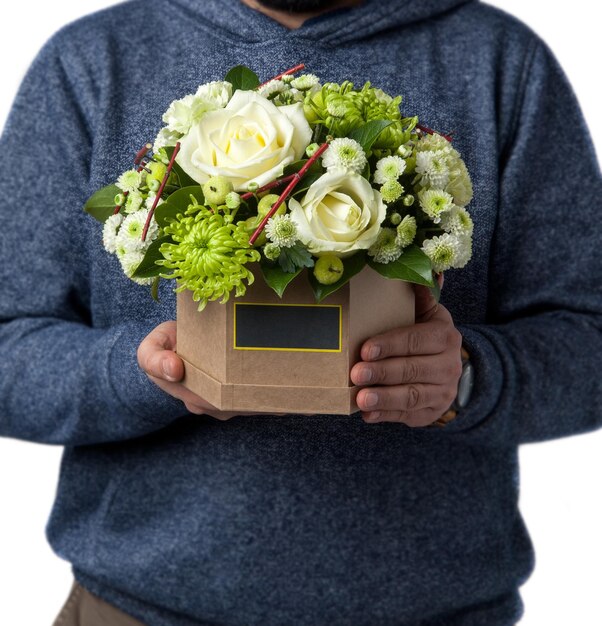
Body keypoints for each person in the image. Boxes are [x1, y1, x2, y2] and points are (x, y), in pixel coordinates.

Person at [0, 0, 600, 624]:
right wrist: (144, 373)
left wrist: (470, 377)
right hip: (135, 611)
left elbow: (589, 343)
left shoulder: (500, 60)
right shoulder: (92, 61)